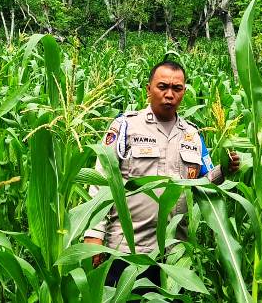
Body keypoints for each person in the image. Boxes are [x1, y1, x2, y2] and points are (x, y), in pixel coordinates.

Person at [84, 60, 240, 291]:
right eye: (162, 87)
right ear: (148, 89)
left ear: (184, 92)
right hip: (128, 251)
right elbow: (101, 181)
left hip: (175, 253)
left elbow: (203, 183)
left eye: (177, 89)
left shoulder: (193, 136)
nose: (169, 95)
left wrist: (224, 170)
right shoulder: (126, 127)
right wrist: (93, 234)